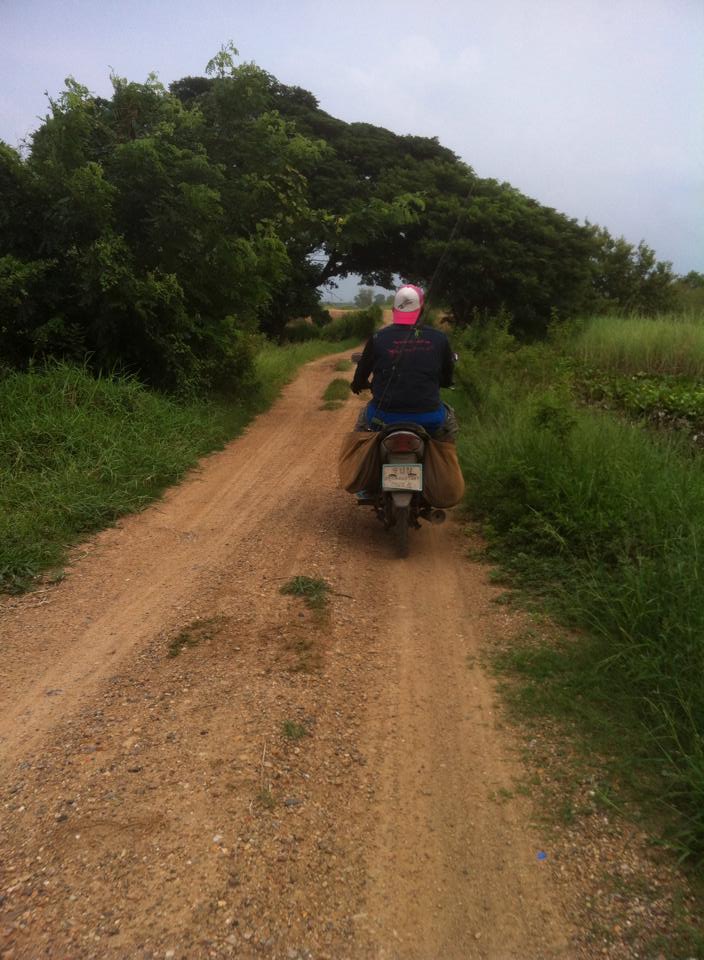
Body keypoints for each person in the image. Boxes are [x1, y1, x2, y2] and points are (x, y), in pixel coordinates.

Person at [350, 284, 458, 440]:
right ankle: (449, 464)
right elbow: (448, 374)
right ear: (421, 310)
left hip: (381, 419)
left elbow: (362, 372)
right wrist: (445, 382)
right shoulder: (439, 338)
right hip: (430, 419)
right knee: (449, 431)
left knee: (360, 438)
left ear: (394, 310)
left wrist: (358, 384)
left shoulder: (378, 338)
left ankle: (356, 464)